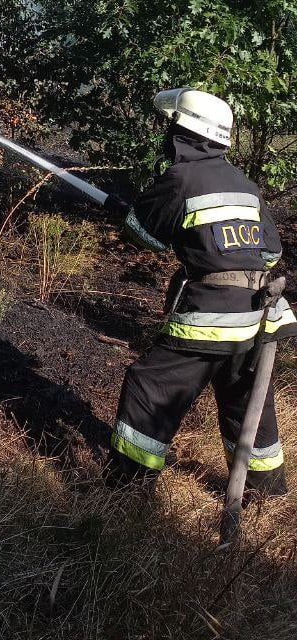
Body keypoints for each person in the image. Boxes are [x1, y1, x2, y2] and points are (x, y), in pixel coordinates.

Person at [106, 87, 297, 495]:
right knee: (247, 399)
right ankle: (264, 492)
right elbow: (272, 252)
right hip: (259, 316)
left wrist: (127, 214)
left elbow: (145, 237)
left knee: (150, 385)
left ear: (181, 131)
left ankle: (127, 485)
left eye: (169, 125)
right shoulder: (245, 184)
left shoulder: (181, 177)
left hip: (211, 316)